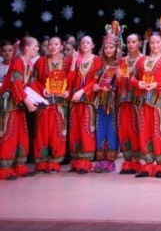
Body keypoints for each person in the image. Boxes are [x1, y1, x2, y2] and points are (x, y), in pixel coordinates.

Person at [131, 30, 161, 178]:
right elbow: (132, 78)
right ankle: (148, 164)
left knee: (158, 132)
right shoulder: (141, 61)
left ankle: (160, 165)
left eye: (157, 42)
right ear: (149, 44)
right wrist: (138, 83)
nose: (155, 45)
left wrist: (158, 84)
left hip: (160, 102)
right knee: (144, 131)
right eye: (152, 43)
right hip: (144, 101)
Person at [29, 36, 71, 174]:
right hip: (44, 102)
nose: (53, 47)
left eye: (56, 44)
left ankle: (54, 162)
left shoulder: (67, 62)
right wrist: (42, 89)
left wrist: (67, 91)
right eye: (51, 44)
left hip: (60, 103)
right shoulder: (41, 61)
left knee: (57, 131)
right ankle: (41, 162)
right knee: (41, 131)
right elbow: (32, 79)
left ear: (61, 46)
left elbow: (72, 79)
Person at [0, 37, 40, 179]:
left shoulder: (28, 63)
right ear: (27, 48)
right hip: (10, 104)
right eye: (35, 46)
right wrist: (27, 101)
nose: (37, 49)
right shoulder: (18, 61)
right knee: (9, 134)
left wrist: (43, 93)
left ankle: (19, 166)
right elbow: (16, 83)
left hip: (18, 103)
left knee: (21, 134)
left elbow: (31, 83)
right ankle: (5, 169)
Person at [68, 35, 104, 174]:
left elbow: (95, 80)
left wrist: (81, 92)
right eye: (82, 42)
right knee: (74, 129)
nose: (85, 45)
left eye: (88, 42)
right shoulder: (76, 59)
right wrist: (73, 62)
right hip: (75, 100)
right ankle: (76, 161)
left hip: (88, 99)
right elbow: (70, 79)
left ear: (92, 45)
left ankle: (85, 162)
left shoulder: (97, 60)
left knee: (86, 128)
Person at [93, 29, 122, 173]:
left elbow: (123, 83)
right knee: (100, 129)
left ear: (116, 49)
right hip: (100, 101)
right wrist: (95, 86)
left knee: (112, 129)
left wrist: (117, 81)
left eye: (111, 47)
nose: (108, 50)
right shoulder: (99, 63)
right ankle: (100, 161)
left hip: (113, 102)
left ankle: (110, 161)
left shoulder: (120, 63)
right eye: (106, 48)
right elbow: (93, 80)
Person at [115, 33, 143, 174]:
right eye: (129, 42)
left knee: (135, 129)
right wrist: (117, 77)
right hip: (123, 99)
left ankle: (136, 161)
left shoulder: (143, 60)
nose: (131, 44)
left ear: (139, 43)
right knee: (123, 129)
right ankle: (127, 161)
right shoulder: (122, 60)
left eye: (134, 41)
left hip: (136, 100)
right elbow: (118, 83)